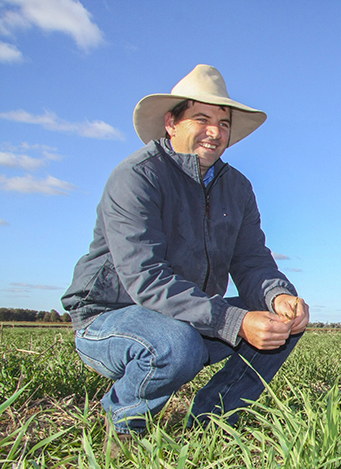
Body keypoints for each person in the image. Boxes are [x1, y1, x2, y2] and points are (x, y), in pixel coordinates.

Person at [61, 65, 309, 435]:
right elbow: (145, 278)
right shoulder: (136, 177)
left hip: (187, 317)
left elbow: (251, 260)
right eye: (201, 118)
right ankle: (124, 428)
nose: (215, 132)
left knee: (280, 325)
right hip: (110, 316)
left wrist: (279, 296)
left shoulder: (236, 188)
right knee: (178, 344)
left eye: (223, 123)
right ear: (171, 123)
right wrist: (235, 321)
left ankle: (213, 423)